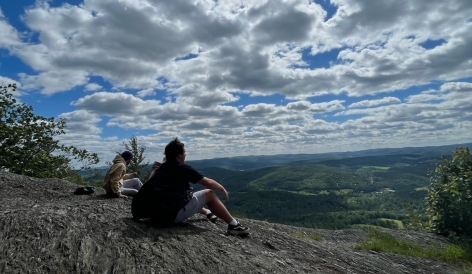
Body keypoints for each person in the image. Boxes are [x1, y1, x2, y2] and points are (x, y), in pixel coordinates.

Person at [132, 138, 249, 235]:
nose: (185, 155)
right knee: (209, 194)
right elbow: (208, 184)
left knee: (189, 195)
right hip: (170, 216)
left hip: (156, 216)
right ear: (179, 155)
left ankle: (208, 212)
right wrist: (220, 187)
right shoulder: (182, 168)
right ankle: (234, 226)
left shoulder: (162, 168)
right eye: (184, 153)